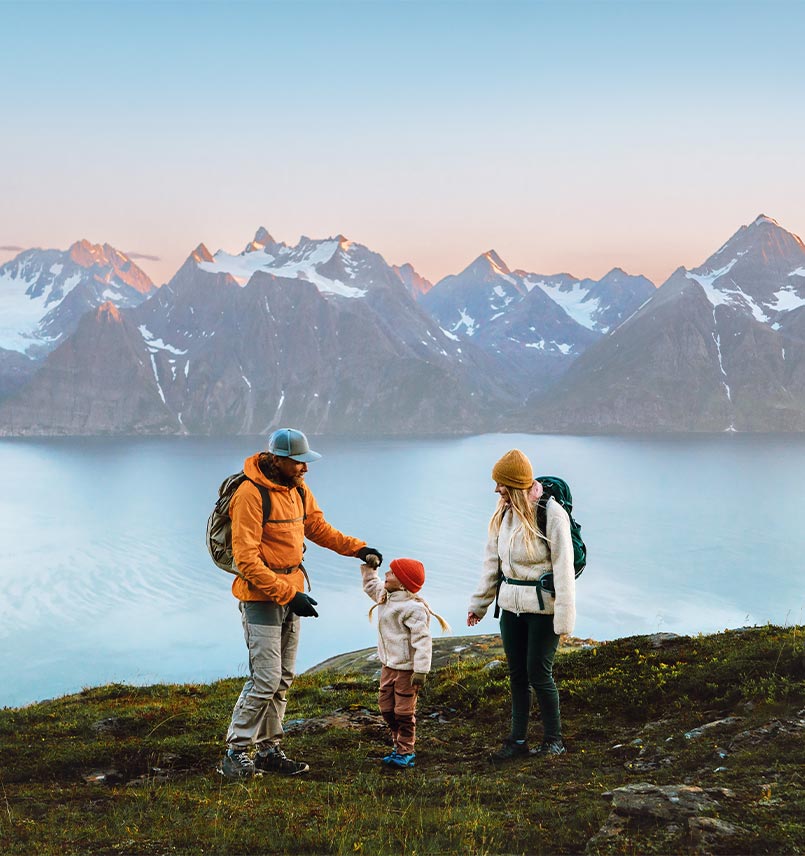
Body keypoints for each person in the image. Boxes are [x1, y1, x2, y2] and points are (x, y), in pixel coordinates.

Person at [220, 428, 382, 779]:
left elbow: (318, 527)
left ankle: (268, 750)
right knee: (265, 678)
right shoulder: (250, 494)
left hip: (291, 593)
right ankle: (235, 753)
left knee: (283, 678)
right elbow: (246, 560)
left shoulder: (298, 490)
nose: (305, 468)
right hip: (261, 598)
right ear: (278, 460)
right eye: (298, 463)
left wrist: (358, 548)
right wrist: (289, 594)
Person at [467, 449, 575, 760]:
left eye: (500, 484)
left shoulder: (551, 513)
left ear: (513, 484)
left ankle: (554, 740)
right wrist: (480, 605)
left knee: (538, 673)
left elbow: (564, 568)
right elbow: (492, 563)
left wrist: (564, 621)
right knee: (517, 674)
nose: (496, 489)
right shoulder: (503, 513)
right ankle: (518, 741)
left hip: (543, 610)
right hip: (510, 608)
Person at [361, 557, 450, 769]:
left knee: (403, 712)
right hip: (388, 667)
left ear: (402, 582)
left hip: (407, 671)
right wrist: (370, 566)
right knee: (386, 709)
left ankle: (405, 750)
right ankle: (397, 745)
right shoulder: (386, 596)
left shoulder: (414, 608)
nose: (386, 575)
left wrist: (420, 671)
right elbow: (370, 585)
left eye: (391, 573)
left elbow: (422, 641)